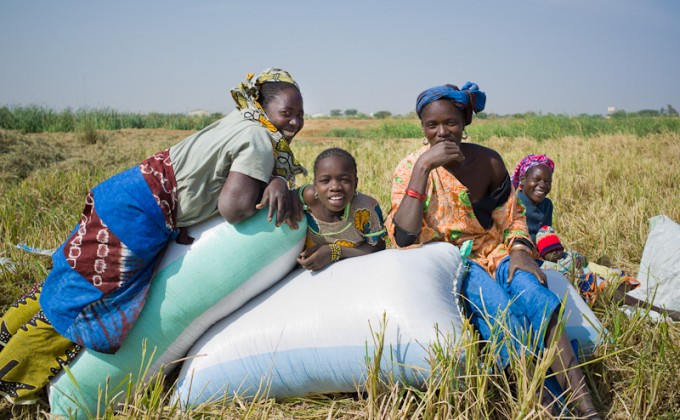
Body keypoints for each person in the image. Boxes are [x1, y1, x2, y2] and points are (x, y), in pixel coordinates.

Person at [0, 68, 306, 405]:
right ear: (263, 108)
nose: (294, 123)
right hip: (137, 216)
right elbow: (234, 207)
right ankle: (9, 380)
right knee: (85, 305)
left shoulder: (241, 121)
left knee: (72, 280)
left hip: (125, 195)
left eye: (300, 115)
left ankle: (6, 333)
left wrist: (275, 178)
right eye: (286, 113)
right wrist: (276, 185)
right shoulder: (260, 139)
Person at [385, 82, 600, 418]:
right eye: (432, 125)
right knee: (502, 314)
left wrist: (519, 251)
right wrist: (423, 168)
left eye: (451, 123)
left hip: (495, 251)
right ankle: (550, 408)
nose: (442, 132)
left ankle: (587, 407)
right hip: (450, 261)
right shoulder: (410, 167)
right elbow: (404, 236)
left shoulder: (488, 161)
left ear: (465, 121)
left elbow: (512, 217)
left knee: (537, 297)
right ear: (422, 128)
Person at [536, 226, 680, 321]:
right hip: (578, 291)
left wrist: (580, 260)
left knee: (611, 278)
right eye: (549, 251)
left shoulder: (570, 255)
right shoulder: (547, 266)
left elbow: (584, 260)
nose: (555, 252)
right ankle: (659, 310)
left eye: (557, 248)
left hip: (591, 284)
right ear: (543, 255)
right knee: (602, 287)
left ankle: (635, 301)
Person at [296, 148, 386, 271]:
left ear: (356, 184)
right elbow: (285, 197)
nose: (335, 187)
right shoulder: (307, 198)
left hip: (353, 272)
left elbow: (378, 247)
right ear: (315, 185)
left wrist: (335, 252)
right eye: (325, 181)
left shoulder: (365, 208)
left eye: (344, 180)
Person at [511, 153, 555, 242]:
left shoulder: (547, 205)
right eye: (536, 180)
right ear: (523, 180)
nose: (542, 185)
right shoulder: (513, 204)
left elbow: (545, 234)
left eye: (547, 182)